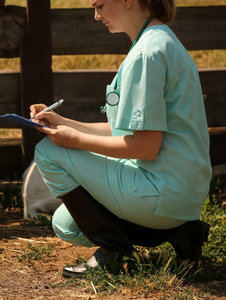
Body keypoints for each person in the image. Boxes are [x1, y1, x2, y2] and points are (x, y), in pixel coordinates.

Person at [30, 0, 211, 278]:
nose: (96, 15)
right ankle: (181, 231)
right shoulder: (162, 41)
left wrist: (74, 140)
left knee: (47, 151)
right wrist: (63, 123)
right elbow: (129, 133)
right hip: (183, 194)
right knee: (65, 223)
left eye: (100, 4)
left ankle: (115, 252)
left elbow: (144, 147)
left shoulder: (145, 55)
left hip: (161, 190)